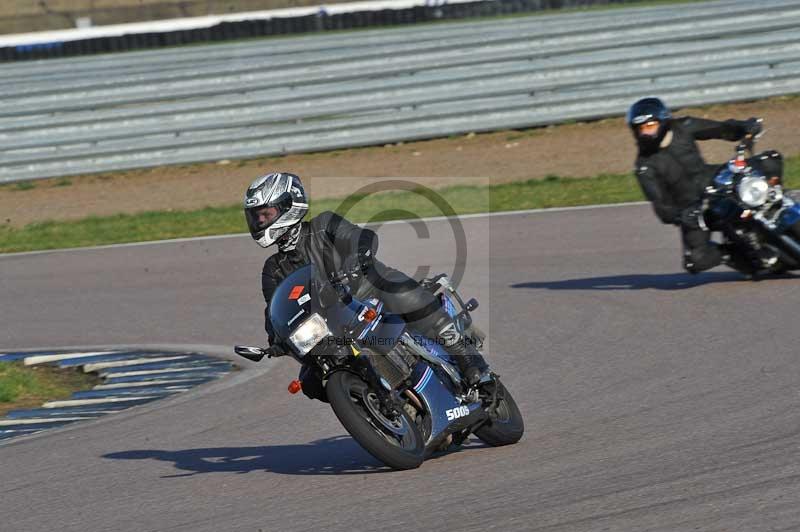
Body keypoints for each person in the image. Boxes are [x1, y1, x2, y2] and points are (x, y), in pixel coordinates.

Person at [243, 172, 489, 399]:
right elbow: (274, 309)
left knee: (400, 292)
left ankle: (468, 358)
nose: (260, 221)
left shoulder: (323, 225)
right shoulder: (273, 269)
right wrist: (276, 338)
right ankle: (375, 407)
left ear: (289, 205)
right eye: (256, 217)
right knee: (311, 381)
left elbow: (361, 237)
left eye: (266, 214)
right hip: (333, 324)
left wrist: (358, 257)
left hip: (368, 291)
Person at [626, 97, 783, 273]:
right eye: (641, 129)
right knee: (695, 261)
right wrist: (680, 216)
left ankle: (777, 200)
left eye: (650, 126)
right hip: (694, 208)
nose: (646, 133)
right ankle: (732, 254)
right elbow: (661, 205)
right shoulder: (644, 166)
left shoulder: (683, 126)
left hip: (716, 179)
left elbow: (721, 129)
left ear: (663, 122)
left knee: (770, 160)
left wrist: (744, 127)